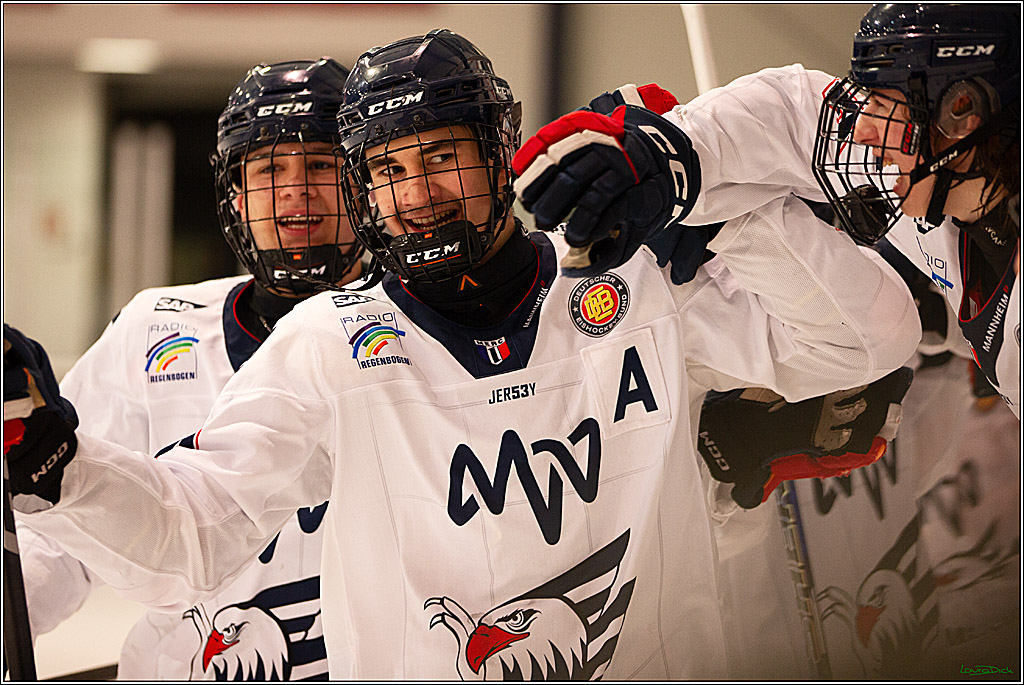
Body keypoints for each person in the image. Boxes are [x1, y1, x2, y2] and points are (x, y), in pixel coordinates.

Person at [5, 29, 920, 679]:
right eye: (390, 171)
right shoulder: (328, 346)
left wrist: (715, 204)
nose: (421, 195)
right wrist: (60, 464)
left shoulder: (629, 281)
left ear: (497, 146)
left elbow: (862, 339)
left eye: (442, 155)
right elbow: (195, 534)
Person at [13, 57, 364, 680]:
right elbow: (62, 537)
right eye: (269, 169)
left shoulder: (415, 329)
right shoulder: (156, 327)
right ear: (235, 194)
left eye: (321, 164)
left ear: (363, 184)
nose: (296, 189)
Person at [650, 3, 1019, 417]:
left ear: (962, 111)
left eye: (882, 103)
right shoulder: (947, 178)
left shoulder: (934, 175)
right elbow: (794, 113)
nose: (863, 127)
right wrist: (661, 150)